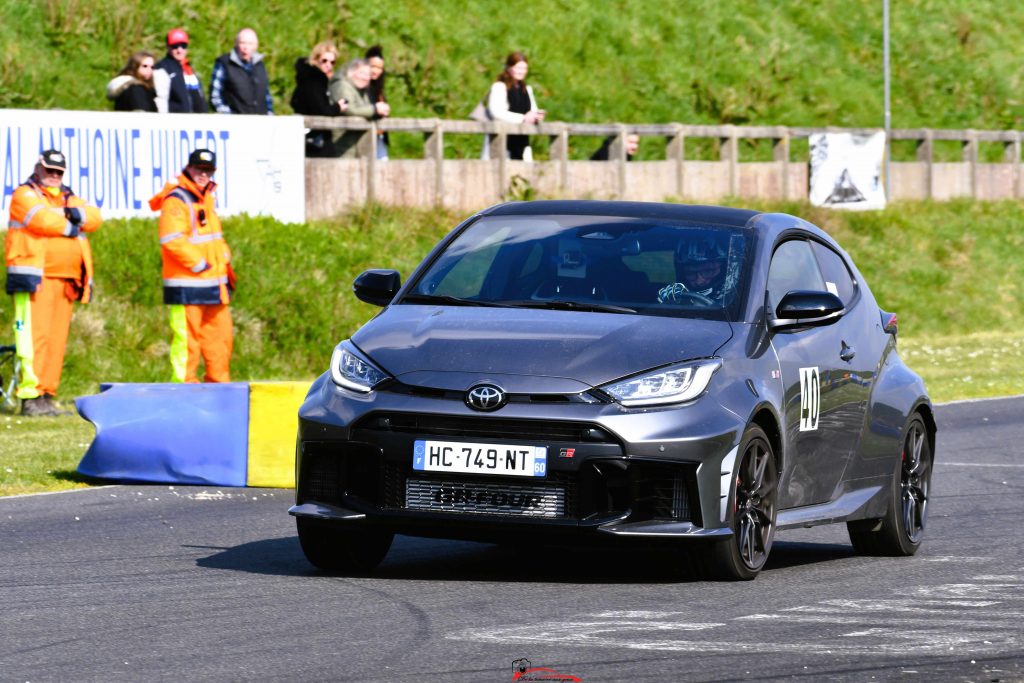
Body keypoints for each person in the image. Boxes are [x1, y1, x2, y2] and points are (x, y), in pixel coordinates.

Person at [4, 150, 103, 416]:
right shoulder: (24, 194)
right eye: (50, 170)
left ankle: (47, 394)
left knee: (56, 341)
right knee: (34, 339)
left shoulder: (68, 197)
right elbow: (42, 221)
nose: (54, 176)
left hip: (66, 279)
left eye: (59, 172)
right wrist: (71, 222)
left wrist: (70, 213)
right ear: (38, 169)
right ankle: (31, 395)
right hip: (34, 277)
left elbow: (94, 216)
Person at [148, 149, 235, 383]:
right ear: (189, 168)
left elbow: (213, 237)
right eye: (199, 169)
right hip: (188, 284)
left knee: (221, 340)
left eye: (208, 170)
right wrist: (201, 265)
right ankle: (183, 389)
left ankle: (218, 388)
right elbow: (171, 239)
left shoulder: (205, 197)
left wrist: (223, 261)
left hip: (215, 284)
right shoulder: (177, 198)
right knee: (188, 343)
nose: (203, 174)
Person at [290, 41, 347, 157]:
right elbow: (322, 110)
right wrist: (338, 107)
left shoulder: (307, 76)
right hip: (315, 136)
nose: (328, 65)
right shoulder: (315, 79)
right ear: (316, 59)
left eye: (332, 62)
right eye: (324, 60)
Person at [485, 52, 545, 160]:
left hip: (522, 141)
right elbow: (496, 112)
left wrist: (536, 116)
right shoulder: (499, 87)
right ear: (509, 68)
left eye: (524, 68)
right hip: (502, 140)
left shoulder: (526, 89)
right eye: (518, 68)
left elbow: (532, 110)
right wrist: (523, 118)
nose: (521, 71)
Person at [328, 58, 390, 158]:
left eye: (368, 75)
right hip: (342, 144)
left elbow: (364, 109)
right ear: (352, 72)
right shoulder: (342, 86)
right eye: (362, 73)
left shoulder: (361, 89)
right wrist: (374, 109)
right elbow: (349, 109)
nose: (365, 77)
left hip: (357, 144)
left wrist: (379, 112)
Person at [210, 28, 273, 115]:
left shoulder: (260, 65)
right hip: (235, 123)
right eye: (242, 43)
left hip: (261, 121)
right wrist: (228, 115)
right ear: (236, 44)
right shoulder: (224, 63)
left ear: (256, 46)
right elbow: (215, 95)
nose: (245, 47)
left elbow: (267, 95)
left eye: (250, 43)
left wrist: (270, 115)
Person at [658, 237, 729, 304]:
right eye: (690, 273)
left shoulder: (736, 300)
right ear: (681, 274)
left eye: (708, 271)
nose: (699, 281)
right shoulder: (673, 299)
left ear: (724, 270)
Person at [153, 28, 208, 114]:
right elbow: (160, 100)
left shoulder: (188, 68)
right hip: (176, 122)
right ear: (168, 47)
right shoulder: (162, 68)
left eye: (183, 46)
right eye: (175, 46)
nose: (179, 50)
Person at [366, 45, 389, 160]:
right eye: (373, 66)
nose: (376, 71)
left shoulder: (379, 90)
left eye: (379, 68)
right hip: (365, 137)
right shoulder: (361, 87)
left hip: (379, 137)